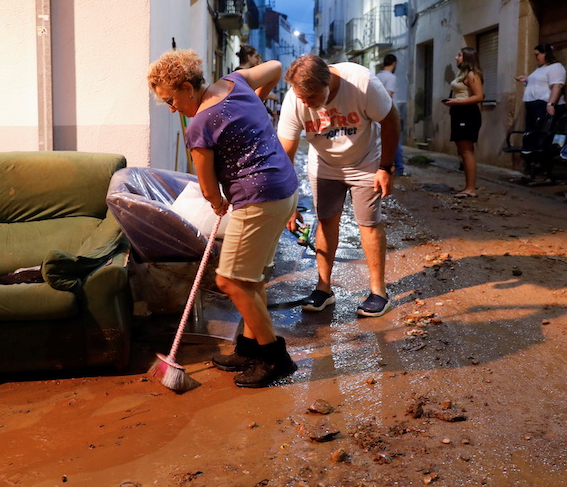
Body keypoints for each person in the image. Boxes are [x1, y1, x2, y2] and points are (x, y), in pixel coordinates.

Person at [147, 49, 300, 388]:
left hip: (259, 200)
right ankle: (247, 348)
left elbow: (207, 188)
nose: (173, 110)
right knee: (251, 277)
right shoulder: (236, 81)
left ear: (187, 87)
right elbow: (275, 67)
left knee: (230, 281)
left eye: (170, 101)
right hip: (285, 191)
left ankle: (275, 358)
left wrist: (217, 203)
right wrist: (256, 105)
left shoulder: (199, 124)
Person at [277, 54, 400, 317]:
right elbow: (284, 155)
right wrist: (288, 204)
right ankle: (324, 288)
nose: (305, 103)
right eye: (301, 97)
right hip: (324, 164)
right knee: (326, 220)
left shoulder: (362, 83)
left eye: (310, 98)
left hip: (365, 161)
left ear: (328, 83)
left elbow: (390, 121)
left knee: (368, 223)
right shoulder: (294, 100)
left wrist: (385, 167)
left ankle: (378, 292)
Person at [441, 47, 485, 198]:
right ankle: (467, 187)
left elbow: (479, 96)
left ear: (467, 58)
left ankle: (470, 189)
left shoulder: (472, 75)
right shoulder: (463, 74)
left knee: (467, 152)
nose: (456, 57)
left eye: (459, 55)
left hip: (467, 114)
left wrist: (458, 102)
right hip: (459, 113)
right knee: (462, 151)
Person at [515, 43, 566, 132]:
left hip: (543, 104)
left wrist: (550, 104)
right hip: (532, 105)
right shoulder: (540, 68)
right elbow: (541, 82)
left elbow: (557, 85)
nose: (536, 57)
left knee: (541, 133)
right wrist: (527, 79)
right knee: (531, 133)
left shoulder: (556, 67)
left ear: (545, 53)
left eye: (537, 54)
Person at [376, 54, 405, 176]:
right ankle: (399, 168)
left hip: (376, 112)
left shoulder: (377, 76)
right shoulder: (391, 77)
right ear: (394, 63)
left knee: (380, 140)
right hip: (389, 112)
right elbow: (388, 95)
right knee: (395, 140)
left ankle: (381, 166)